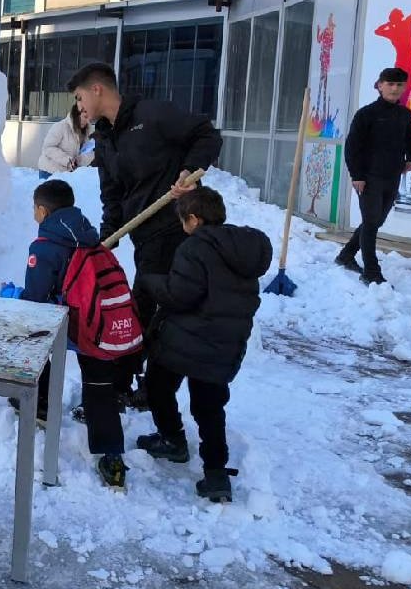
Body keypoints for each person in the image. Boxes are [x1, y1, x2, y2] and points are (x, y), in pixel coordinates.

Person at [68, 62, 222, 410]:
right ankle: (149, 386)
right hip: (145, 236)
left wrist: (190, 171)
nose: (79, 108)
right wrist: (104, 242)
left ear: (97, 90)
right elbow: (113, 197)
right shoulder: (105, 142)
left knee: (145, 309)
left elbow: (206, 133)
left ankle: (123, 386)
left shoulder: (151, 115)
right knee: (152, 312)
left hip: (178, 228)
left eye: (79, 99)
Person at [134, 187, 272, 503]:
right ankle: (216, 474)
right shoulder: (243, 248)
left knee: (158, 386)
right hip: (225, 344)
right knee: (209, 407)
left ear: (194, 219)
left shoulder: (194, 248)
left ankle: (172, 439)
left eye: (183, 220)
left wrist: (149, 280)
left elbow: (180, 294)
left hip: (185, 341)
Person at [16, 180, 132, 488]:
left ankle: (40, 406)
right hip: (97, 324)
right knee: (99, 389)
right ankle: (112, 458)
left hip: (69, 323)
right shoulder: (90, 236)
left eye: (34, 208)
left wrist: (17, 297)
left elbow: (37, 297)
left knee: (32, 347)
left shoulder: (44, 247)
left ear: (42, 210)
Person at [336, 67, 411, 285]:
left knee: (375, 221)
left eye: (399, 85)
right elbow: (352, 147)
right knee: (371, 223)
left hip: (392, 177)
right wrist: (357, 175)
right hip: (369, 177)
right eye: (390, 84)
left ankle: (345, 256)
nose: (395, 88)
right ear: (380, 85)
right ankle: (371, 272)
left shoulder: (404, 114)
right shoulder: (366, 114)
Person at [36, 104, 94, 178]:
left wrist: (79, 160)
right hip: (49, 171)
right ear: (76, 115)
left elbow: (90, 151)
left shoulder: (88, 131)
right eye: (85, 117)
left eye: (89, 118)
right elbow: (48, 148)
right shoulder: (61, 126)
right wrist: (68, 160)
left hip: (67, 173)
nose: (87, 121)